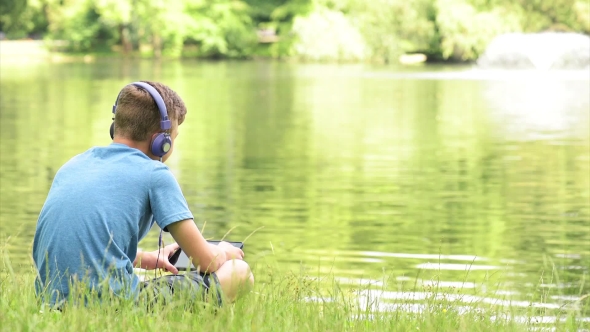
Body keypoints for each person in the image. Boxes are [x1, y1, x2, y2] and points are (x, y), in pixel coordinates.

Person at [32, 81, 253, 310]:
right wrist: (224, 251)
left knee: (142, 279)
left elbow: (80, 243)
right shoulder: (155, 174)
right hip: (113, 307)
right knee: (239, 273)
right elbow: (207, 261)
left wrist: (144, 257)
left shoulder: (73, 165)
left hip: (50, 303)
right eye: (173, 137)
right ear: (161, 142)